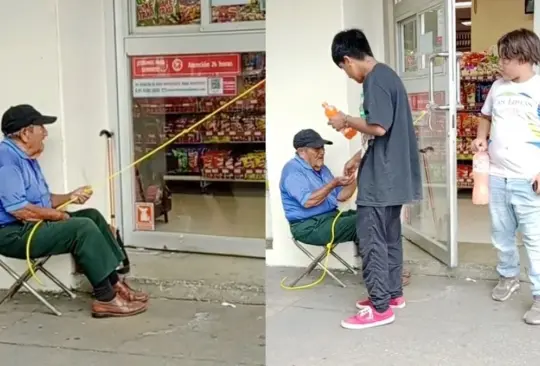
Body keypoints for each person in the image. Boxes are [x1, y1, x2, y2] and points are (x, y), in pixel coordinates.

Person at [0, 104, 149, 318]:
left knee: (92, 216)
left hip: (29, 225)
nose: (45, 133)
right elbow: (20, 210)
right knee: (82, 228)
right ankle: (105, 298)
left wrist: (71, 196)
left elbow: (45, 199)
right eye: (41, 127)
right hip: (12, 234)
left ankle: (115, 284)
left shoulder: (27, 158)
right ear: (25, 133)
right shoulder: (7, 161)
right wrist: (59, 216)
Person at [327, 29, 422, 330]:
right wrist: (358, 157)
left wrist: (344, 120)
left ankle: (380, 307)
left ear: (347, 60)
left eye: (344, 69)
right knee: (390, 237)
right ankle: (392, 295)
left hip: (381, 179)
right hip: (391, 176)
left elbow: (378, 127)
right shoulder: (388, 76)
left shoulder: (374, 80)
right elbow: (382, 133)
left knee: (372, 241)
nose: (348, 75)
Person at [280, 129, 413, 286]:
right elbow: (309, 201)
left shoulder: (321, 169)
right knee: (367, 221)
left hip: (329, 218)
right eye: (317, 149)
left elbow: (341, 195)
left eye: (322, 148)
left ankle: (388, 268)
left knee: (372, 214)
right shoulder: (293, 171)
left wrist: (358, 175)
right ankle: (385, 275)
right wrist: (333, 183)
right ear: (301, 151)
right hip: (308, 226)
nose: (322, 152)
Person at [471, 28, 540, 325]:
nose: (500, 64)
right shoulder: (498, 86)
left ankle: (539, 295)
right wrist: (481, 138)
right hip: (498, 176)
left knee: (535, 239)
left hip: (529, 177)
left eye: (505, 59)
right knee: (501, 233)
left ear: (522, 57)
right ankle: (508, 277)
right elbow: (484, 117)